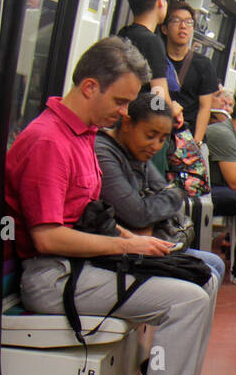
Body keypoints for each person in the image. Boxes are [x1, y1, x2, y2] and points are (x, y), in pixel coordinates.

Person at [6, 37, 226, 375]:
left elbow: (93, 216)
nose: (125, 112)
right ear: (90, 87)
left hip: (84, 264)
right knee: (188, 301)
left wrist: (138, 241)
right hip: (54, 277)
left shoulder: (82, 137)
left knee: (201, 274)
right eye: (121, 100)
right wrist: (129, 244)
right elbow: (49, 237)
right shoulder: (50, 142)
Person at [95, 90, 228, 284]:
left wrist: (149, 214)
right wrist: (152, 207)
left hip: (148, 239)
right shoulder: (104, 153)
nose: (156, 146)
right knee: (207, 273)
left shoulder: (138, 152)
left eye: (162, 139)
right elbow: (137, 214)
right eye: (150, 135)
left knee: (215, 264)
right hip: (119, 249)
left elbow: (175, 193)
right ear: (126, 124)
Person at [116, 0, 183, 131]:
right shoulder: (152, 42)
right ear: (160, 1)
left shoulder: (123, 34)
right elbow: (158, 94)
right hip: (141, 125)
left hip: (122, 120)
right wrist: (171, 109)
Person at [203, 88, 236, 286]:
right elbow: (235, 181)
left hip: (217, 186)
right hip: (209, 190)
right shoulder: (224, 134)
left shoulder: (230, 133)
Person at [162, 0, 220, 142]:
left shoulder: (203, 65)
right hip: (159, 132)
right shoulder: (157, 60)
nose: (183, 26)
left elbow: (204, 108)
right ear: (164, 28)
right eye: (176, 21)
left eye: (188, 22)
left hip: (188, 135)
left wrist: (197, 142)